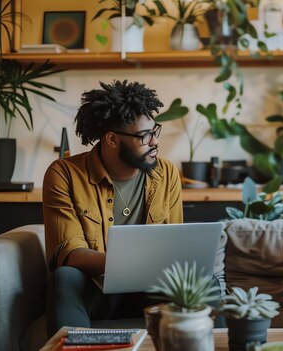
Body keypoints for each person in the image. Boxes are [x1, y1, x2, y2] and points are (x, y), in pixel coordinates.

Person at [43, 80, 183, 337]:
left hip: (151, 290)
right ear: (112, 139)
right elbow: (68, 251)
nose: (154, 142)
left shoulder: (167, 174)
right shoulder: (64, 174)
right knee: (65, 277)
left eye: (155, 131)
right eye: (144, 136)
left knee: (199, 284)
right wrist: (126, 264)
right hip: (96, 290)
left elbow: (173, 241)